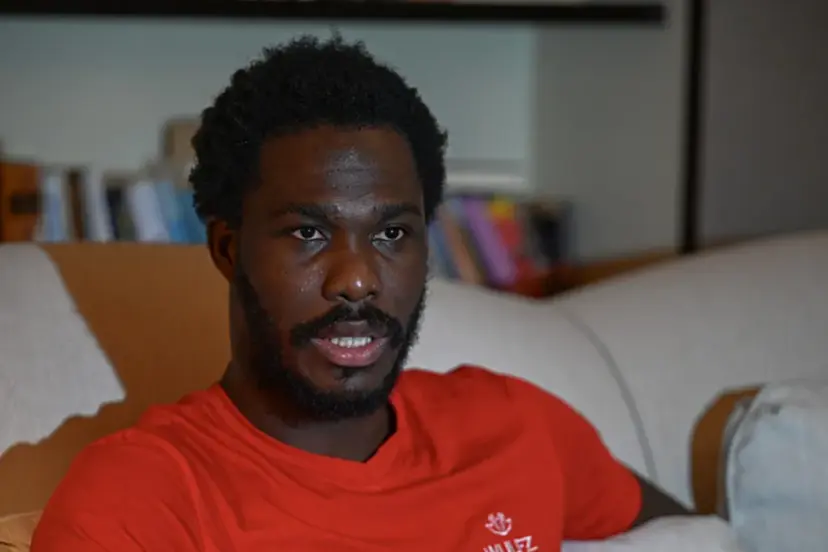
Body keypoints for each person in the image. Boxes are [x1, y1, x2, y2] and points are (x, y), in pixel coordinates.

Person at [32, 35, 690, 551]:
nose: (357, 279)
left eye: (392, 233)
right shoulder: (138, 502)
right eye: (309, 233)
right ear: (228, 250)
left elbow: (699, 540)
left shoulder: (516, 427)